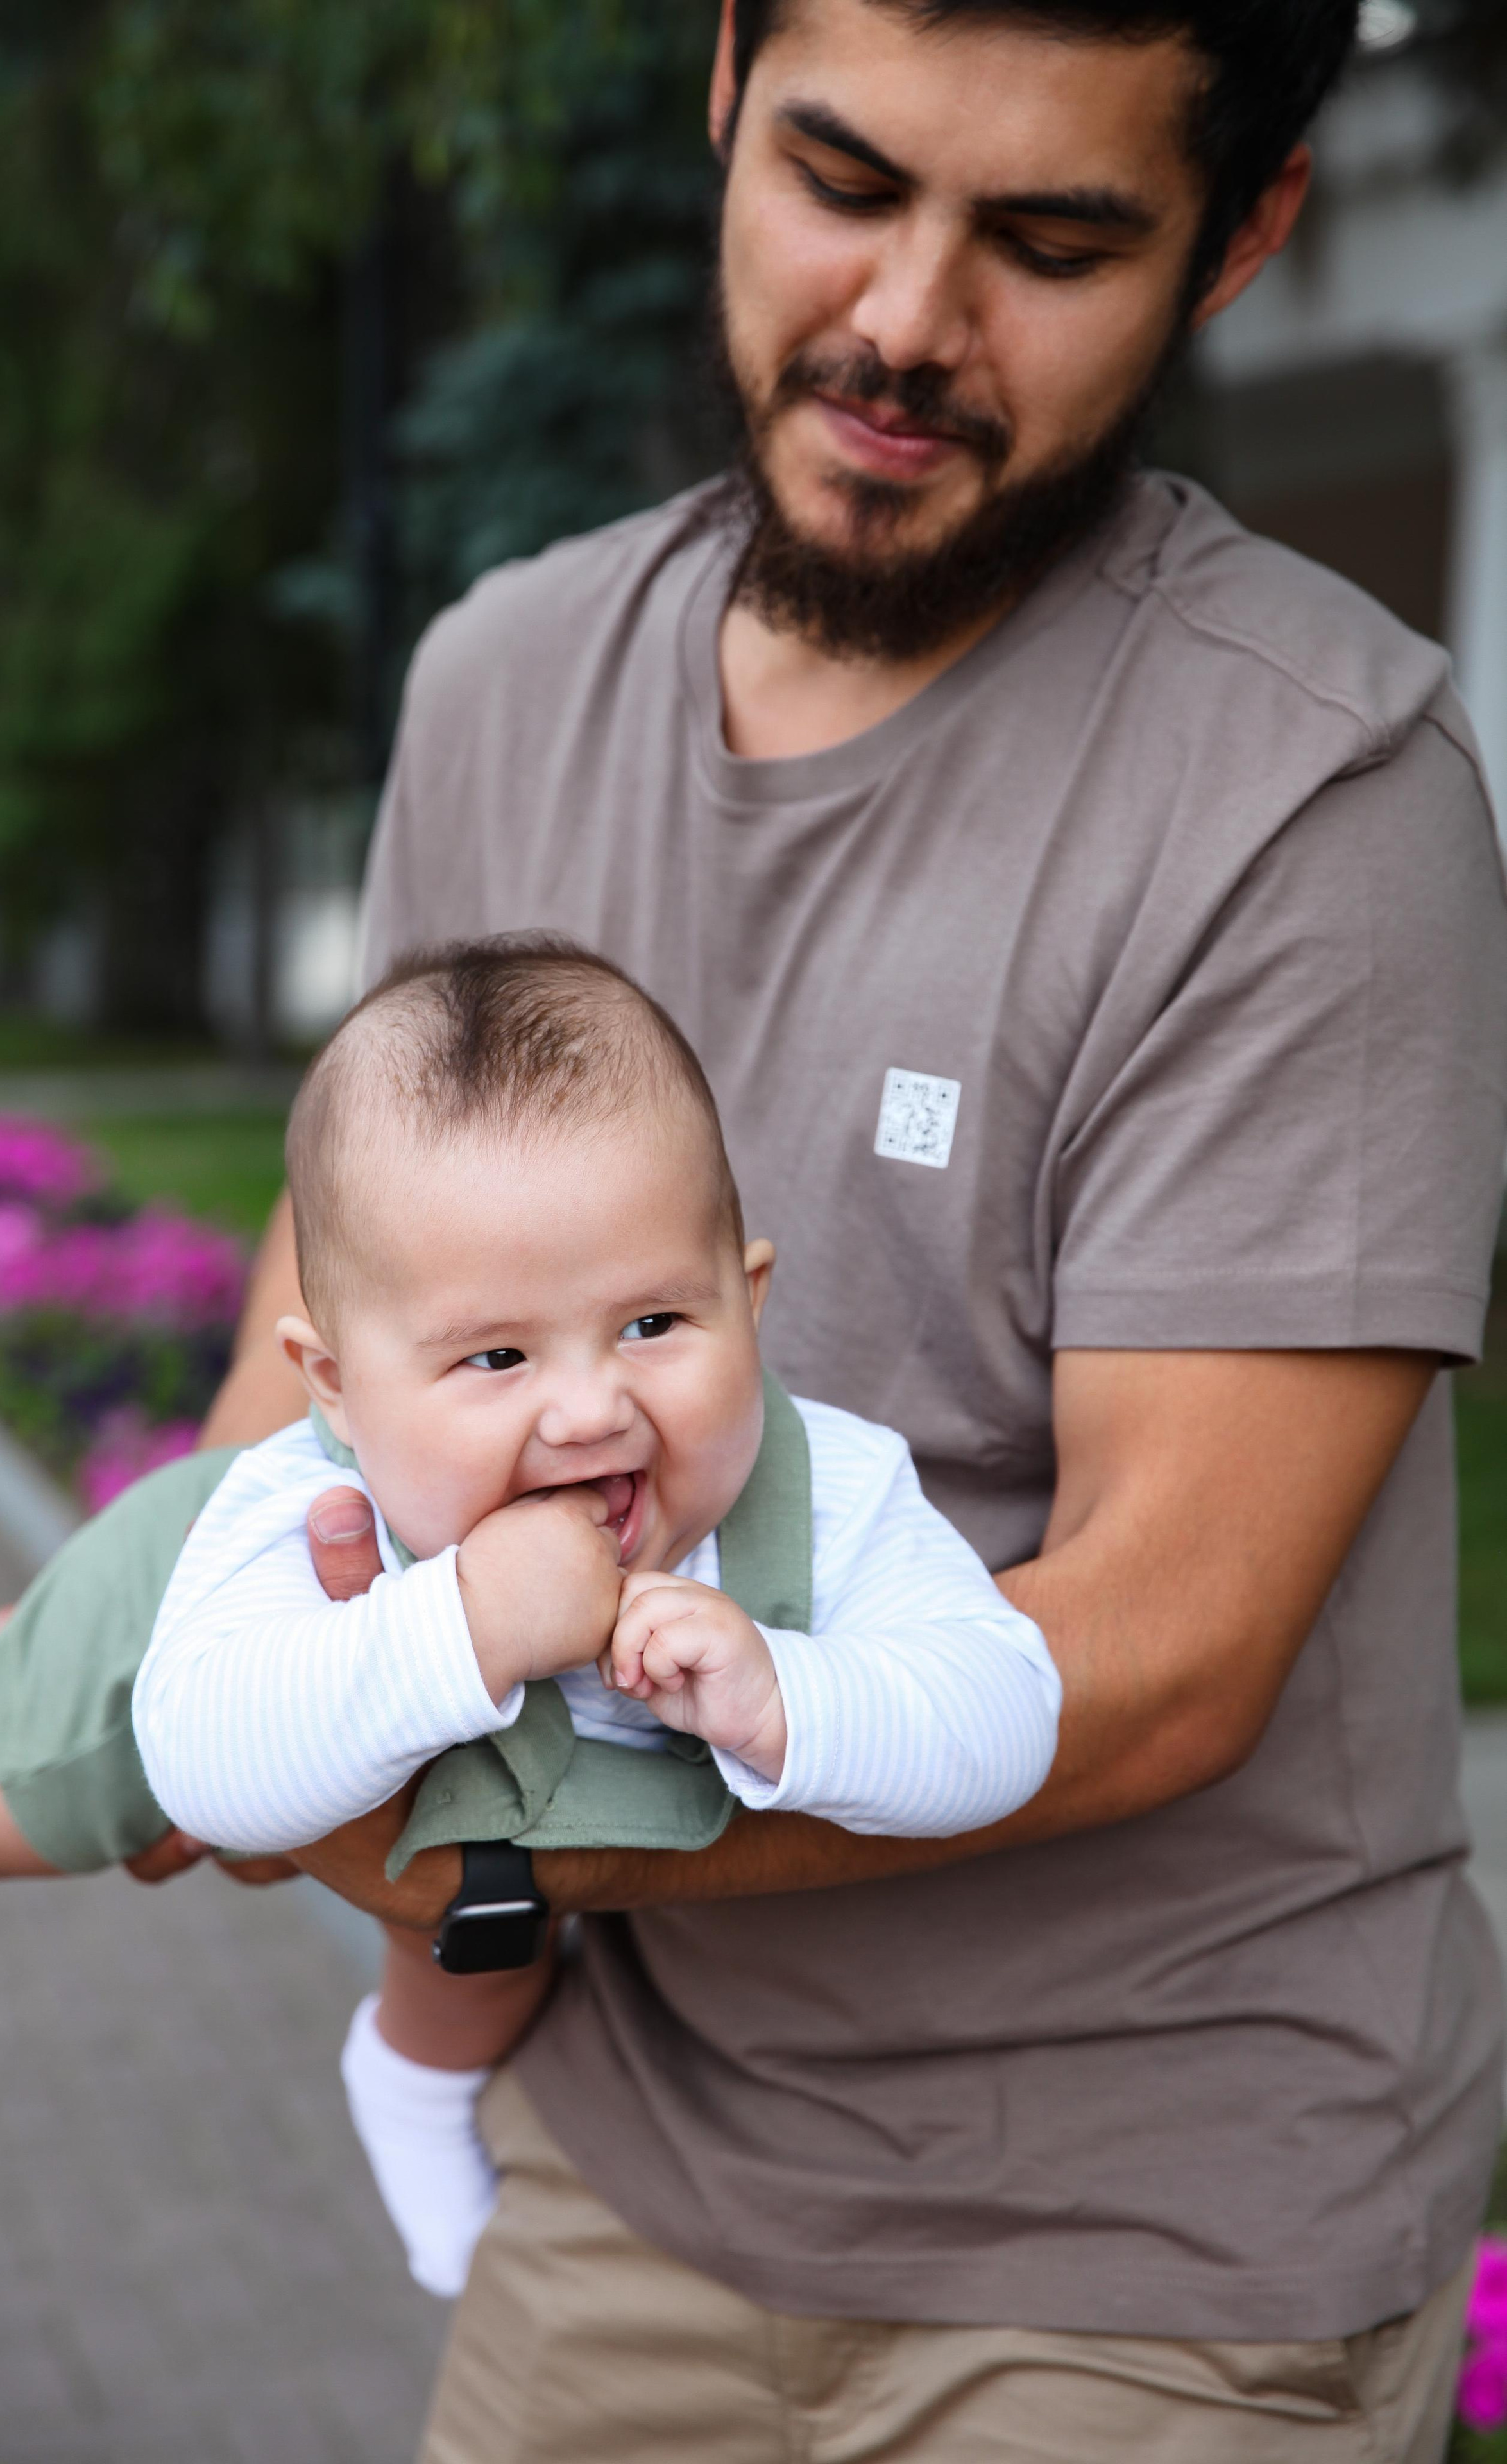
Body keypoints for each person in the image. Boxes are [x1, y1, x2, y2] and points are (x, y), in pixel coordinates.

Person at [191, 0, 1507, 2455]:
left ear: (1245, 241)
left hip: (1162, 2253)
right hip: (631, 2170)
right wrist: (122, 1687)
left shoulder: (1316, 792)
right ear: (719, 82)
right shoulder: (501, 684)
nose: (907, 318)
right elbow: (314, 1350)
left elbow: (1161, 1650)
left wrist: (453, 1838)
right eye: (842, 174)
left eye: (1051, 239)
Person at [0, 936, 1059, 2303]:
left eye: (656, 1321)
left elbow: (1007, 1710)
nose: (588, 1408)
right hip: (192, 1623)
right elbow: (202, 1765)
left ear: (750, 1295)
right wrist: (471, 1624)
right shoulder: (282, 1509)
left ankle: (412, 2075)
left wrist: (783, 1694)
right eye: (495, 1357)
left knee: (489, 1909)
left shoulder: (831, 1495)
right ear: (334, 1384)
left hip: (490, 1814)